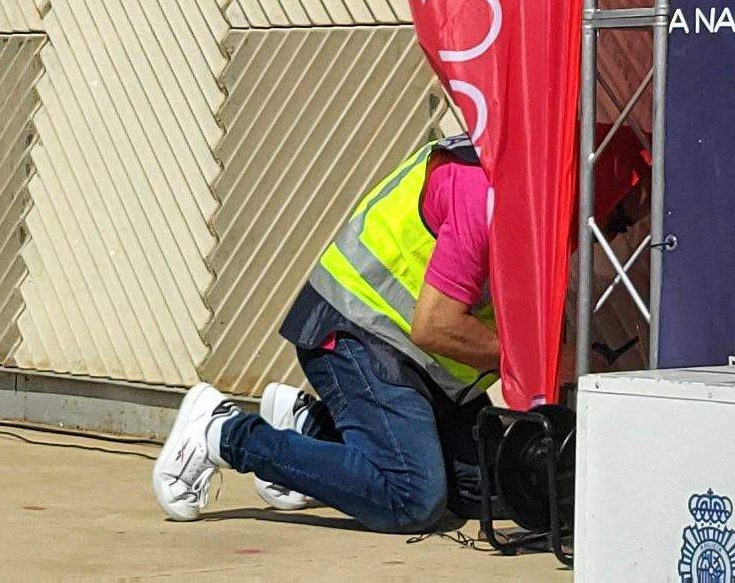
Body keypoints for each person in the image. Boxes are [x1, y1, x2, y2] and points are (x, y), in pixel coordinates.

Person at [151, 138, 500, 533]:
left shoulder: (514, 177)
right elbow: (435, 324)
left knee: (487, 489)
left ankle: (308, 427)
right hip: (357, 334)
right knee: (412, 498)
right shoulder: (479, 189)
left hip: (412, 358)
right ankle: (223, 434)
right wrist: (526, 358)